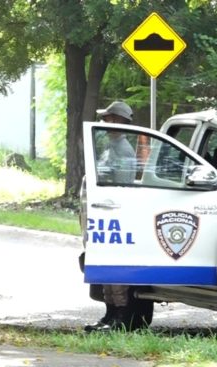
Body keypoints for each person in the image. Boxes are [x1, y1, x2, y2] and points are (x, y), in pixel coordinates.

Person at [84, 100, 137, 332]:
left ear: (116, 120)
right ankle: (109, 314)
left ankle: (121, 316)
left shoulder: (123, 150)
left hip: (116, 212)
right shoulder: (112, 147)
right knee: (106, 266)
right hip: (105, 212)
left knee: (116, 269)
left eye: (107, 118)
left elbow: (121, 185)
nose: (104, 122)